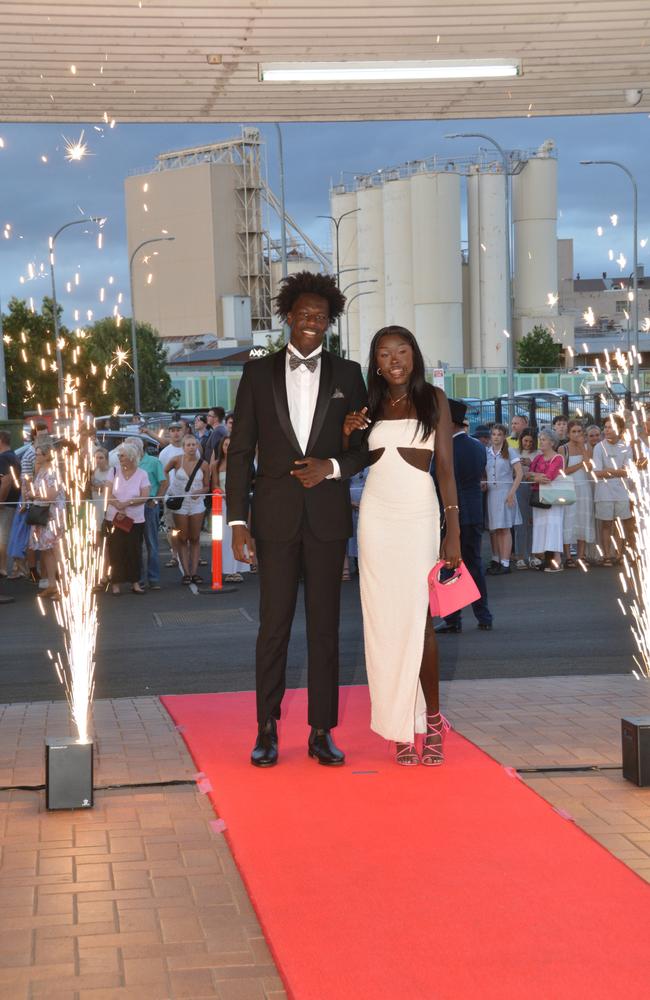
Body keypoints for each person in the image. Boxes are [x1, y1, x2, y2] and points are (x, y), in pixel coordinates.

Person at [226, 270, 368, 768]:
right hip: (274, 518)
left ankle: (321, 730)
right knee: (274, 626)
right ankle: (266, 728)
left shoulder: (349, 375)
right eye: (305, 314)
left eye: (321, 317)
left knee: (326, 628)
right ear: (288, 316)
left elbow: (363, 450)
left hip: (327, 519)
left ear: (329, 323)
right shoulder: (256, 373)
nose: (312, 322)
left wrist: (332, 465)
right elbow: (240, 452)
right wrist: (237, 524)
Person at [351, 326, 460, 767]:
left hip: (418, 517)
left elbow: (447, 471)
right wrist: (346, 430)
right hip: (375, 517)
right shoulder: (369, 403)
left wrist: (452, 530)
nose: (394, 359)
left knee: (419, 622)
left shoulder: (433, 399)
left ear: (413, 355)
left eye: (402, 351)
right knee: (383, 622)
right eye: (384, 353)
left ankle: (432, 719)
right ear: (375, 362)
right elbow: (351, 457)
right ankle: (399, 723)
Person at [433, 398, 492, 635]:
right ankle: (484, 615)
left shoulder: (447, 449)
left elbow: (441, 481)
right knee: (475, 565)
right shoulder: (478, 446)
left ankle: (452, 618)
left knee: (449, 567)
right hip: (475, 511)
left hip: (453, 513)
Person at [104, 442, 150, 596]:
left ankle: (135, 582)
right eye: (119, 455)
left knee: (134, 550)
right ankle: (115, 583)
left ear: (131, 457)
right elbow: (107, 493)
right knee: (115, 550)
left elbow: (145, 496)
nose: (119, 458)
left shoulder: (142, 474)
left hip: (135, 519)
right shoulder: (113, 471)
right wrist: (118, 505)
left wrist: (127, 503)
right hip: (114, 517)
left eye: (122, 455)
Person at [165, 435, 210, 585]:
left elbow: (207, 485)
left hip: (197, 503)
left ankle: (195, 572)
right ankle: (186, 573)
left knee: (195, 538)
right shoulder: (176, 460)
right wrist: (170, 488)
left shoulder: (204, 464)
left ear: (197, 446)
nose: (191, 447)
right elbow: (163, 472)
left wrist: (200, 492)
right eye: (188, 445)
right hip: (180, 502)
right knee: (182, 538)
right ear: (183, 447)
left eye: (193, 445)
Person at [24, 441, 66, 600]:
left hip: (52, 515)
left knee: (56, 550)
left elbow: (50, 495)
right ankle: (52, 585)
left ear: (48, 455)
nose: (36, 456)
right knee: (46, 551)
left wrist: (32, 494)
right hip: (43, 514)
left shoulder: (53, 472)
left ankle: (64, 586)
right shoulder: (41, 470)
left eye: (38, 454)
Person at [592, 413, 633, 564]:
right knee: (606, 524)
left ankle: (619, 554)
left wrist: (608, 471)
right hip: (603, 493)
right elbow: (597, 472)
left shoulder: (626, 446)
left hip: (622, 492)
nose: (607, 430)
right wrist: (617, 471)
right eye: (606, 427)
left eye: (611, 427)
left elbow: (628, 471)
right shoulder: (598, 447)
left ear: (620, 429)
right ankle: (606, 555)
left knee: (621, 523)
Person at [485, 423, 522, 575]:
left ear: (504, 436)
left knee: (505, 528)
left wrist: (512, 493)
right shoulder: (486, 452)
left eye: (499, 434)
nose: (496, 437)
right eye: (494, 434)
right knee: (497, 529)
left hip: (506, 492)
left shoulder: (510, 451)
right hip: (492, 493)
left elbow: (519, 474)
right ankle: (499, 560)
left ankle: (505, 563)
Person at [527, 429, 565, 572]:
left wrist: (534, 476)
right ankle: (547, 558)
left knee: (553, 526)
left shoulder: (558, 458)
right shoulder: (537, 457)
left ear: (552, 442)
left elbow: (548, 477)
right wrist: (535, 476)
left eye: (543, 439)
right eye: (540, 439)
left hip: (552, 498)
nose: (540, 441)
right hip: (538, 496)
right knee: (542, 527)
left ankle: (556, 560)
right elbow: (527, 475)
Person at [213, 436, 248, 583]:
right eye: (225, 444)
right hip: (221, 504)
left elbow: (244, 482)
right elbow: (214, 485)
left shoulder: (240, 463)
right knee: (224, 538)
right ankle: (226, 570)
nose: (227, 447)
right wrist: (222, 493)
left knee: (238, 534)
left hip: (238, 503)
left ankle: (237, 569)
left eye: (230, 444)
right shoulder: (216, 464)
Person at [132, 437, 166, 591]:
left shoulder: (153, 462)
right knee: (136, 544)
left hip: (149, 505)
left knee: (151, 543)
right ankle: (138, 579)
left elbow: (164, 482)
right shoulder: (129, 464)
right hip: (133, 506)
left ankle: (154, 578)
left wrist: (156, 501)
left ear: (140, 448)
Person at [560, 420, 595, 567]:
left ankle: (581, 556)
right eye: (573, 431)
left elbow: (589, 468)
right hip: (569, 487)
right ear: (568, 433)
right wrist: (580, 464)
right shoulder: (563, 448)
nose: (577, 434)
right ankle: (568, 556)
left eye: (579, 431)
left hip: (584, 488)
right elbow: (563, 471)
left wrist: (582, 448)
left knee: (583, 519)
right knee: (568, 520)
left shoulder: (586, 447)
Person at [159, 421, 185, 568]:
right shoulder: (165, 453)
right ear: (169, 433)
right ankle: (174, 554)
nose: (176, 433)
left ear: (183, 432)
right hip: (171, 495)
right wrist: (165, 493)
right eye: (173, 430)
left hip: (188, 494)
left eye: (178, 430)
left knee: (188, 527)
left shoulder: (190, 448)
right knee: (172, 528)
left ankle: (191, 554)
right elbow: (163, 474)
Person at [514, 427, 540, 569]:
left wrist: (531, 464)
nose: (528, 444)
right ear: (521, 440)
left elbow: (542, 470)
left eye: (531, 441)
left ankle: (533, 555)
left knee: (533, 522)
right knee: (520, 523)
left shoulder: (539, 453)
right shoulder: (514, 452)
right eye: (525, 441)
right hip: (520, 488)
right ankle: (520, 556)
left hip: (535, 488)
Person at [0, 431, 21, 577]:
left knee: (3, 535)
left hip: (6, 502)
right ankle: (13, 567)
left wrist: (0, 500)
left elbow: (6, 481)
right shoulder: (14, 456)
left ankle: (2, 568)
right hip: (13, 500)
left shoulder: (3, 458)